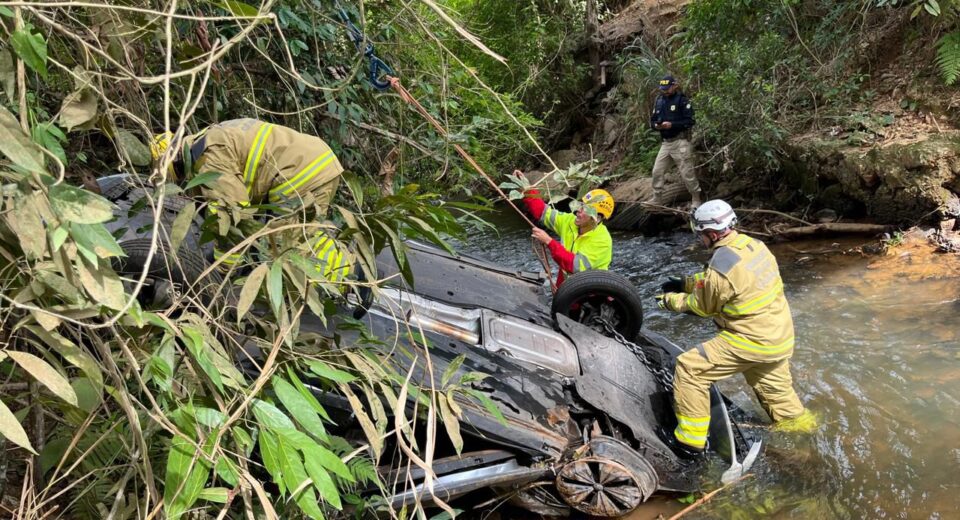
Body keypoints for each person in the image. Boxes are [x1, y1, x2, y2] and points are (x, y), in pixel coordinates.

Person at [656, 199, 816, 457]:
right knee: (781, 399)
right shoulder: (755, 246)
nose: (700, 240)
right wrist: (685, 282)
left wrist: (669, 301)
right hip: (779, 337)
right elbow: (731, 280)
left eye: (700, 235)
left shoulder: (721, 266)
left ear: (710, 234)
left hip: (749, 339)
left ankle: (690, 442)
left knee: (690, 369)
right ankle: (806, 442)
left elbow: (702, 306)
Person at [150, 118, 350, 280]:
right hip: (311, 163)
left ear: (172, 163)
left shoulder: (207, 156)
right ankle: (347, 270)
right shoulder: (209, 139)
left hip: (301, 173)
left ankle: (349, 279)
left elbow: (232, 210)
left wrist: (224, 265)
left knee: (285, 249)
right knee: (301, 235)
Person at [513, 170, 614, 287]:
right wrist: (526, 188)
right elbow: (542, 212)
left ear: (596, 218)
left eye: (585, 209)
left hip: (589, 293)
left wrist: (549, 241)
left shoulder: (602, 241)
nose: (578, 211)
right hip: (567, 287)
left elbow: (574, 266)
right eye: (581, 205)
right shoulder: (570, 221)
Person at [649, 74, 702, 208]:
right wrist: (657, 125)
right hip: (666, 143)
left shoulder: (682, 100)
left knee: (687, 172)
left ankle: (696, 198)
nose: (665, 91)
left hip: (680, 142)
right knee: (657, 171)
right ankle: (657, 198)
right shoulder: (659, 100)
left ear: (675, 86)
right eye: (663, 88)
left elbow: (690, 121)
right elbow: (653, 120)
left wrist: (672, 125)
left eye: (668, 88)